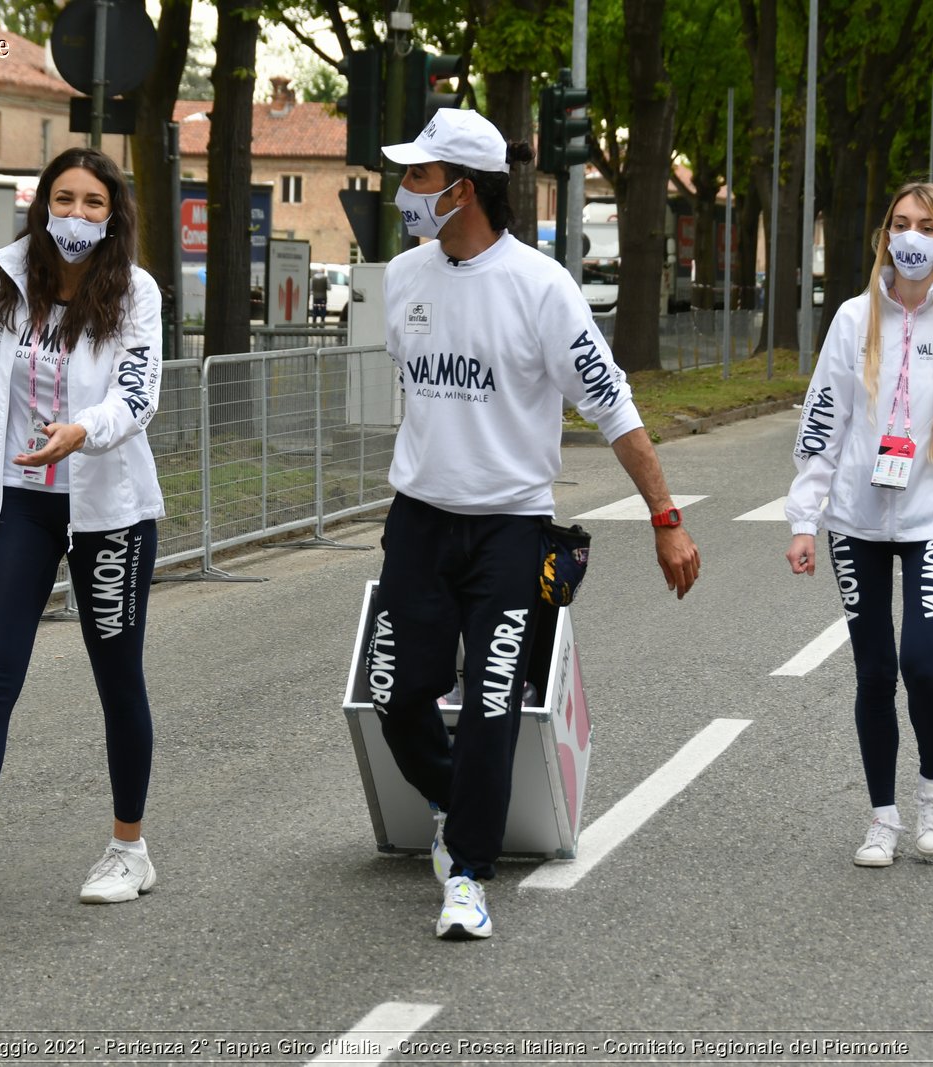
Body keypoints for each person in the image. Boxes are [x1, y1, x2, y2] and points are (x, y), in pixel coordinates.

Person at [365, 109, 700, 940]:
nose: (402, 191)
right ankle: (453, 800)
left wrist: (665, 517)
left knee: (490, 700)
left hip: (510, 531)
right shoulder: (402, 279)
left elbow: (613, 407)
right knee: (400, 697)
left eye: (417, 177)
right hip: (418, 522)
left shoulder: (542, 288)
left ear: (462, 190)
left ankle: (470, 873)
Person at [0, 147, 166, 927]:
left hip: (107, 509)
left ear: (112, 212)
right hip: (19, 502)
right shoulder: (9, 286)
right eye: (64, 198)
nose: (77, 215)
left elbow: (138, 397)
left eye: (93, 202)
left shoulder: (136, 293)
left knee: (118, 679)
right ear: (41, 204)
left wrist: (81, 430)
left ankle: (129, 847)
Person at [784, 180, 933, 869]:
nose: (910, 237)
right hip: (855, 519)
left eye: (925, 226)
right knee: (874, 671)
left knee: (921, 663)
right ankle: (883, 816)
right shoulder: (854, 319)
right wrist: (804, 517)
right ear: (885, 235)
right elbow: (823, 421)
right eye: (900, 224)